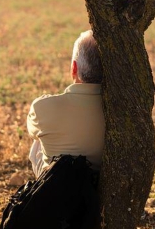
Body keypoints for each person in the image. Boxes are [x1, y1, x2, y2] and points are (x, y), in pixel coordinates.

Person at [27, 30, 105, 178]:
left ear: (74, 68)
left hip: (57, 188)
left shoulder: (42, 107)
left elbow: (32, 132)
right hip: (99, 187)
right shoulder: (120, 110)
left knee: (38, 141)